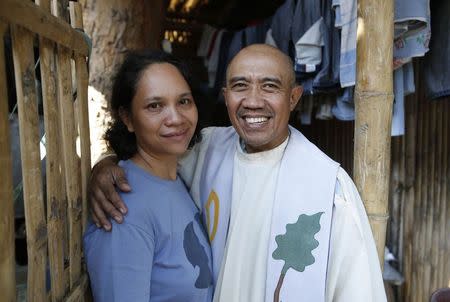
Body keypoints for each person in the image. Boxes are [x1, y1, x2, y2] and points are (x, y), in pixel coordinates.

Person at [89, 44, 387, 302]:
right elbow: (148, 154)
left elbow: (357, 290)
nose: (253, 100)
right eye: (240, 86)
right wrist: (106, 163)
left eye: (270, 86)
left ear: (294, 97)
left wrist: (106, 163)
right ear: (226, 95)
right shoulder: (207, 150)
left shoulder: (329, 190)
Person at [83, 50, 213, 302]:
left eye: (184, 101)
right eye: (155, 106)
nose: (176, 118)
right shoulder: (121, 209)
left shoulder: (179, 179)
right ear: (127, 118)